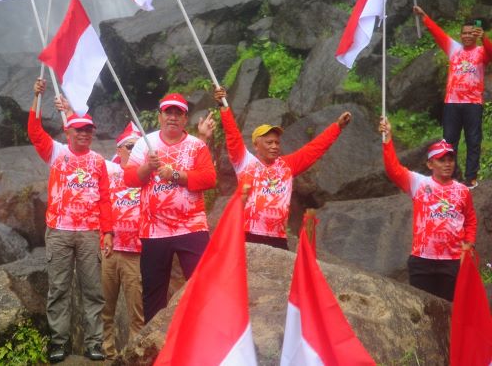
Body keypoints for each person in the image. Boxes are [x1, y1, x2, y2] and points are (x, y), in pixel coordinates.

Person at [29, 78, 113, 363]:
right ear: (68, 132)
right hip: (59, 232)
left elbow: (104, 198)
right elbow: (33, 131)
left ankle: (94, 344)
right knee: (59, 290)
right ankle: (58, 344)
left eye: (88, 130)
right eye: (79, 130)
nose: (84, 134)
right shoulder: (57, 153)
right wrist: (37, 98)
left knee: (92, 291)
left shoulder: (98, 162)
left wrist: (109, 232)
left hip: (90, 233)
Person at [214, 87, 351, 250]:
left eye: (277, 143)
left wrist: (337, 127)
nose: (274, 146)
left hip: (278, 237)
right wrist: (223, 107)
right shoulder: (245, 162)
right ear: (256, 145)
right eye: (269, 142)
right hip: (249, 233)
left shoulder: (287, 165)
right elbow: (233, 136)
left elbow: (314, 149)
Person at [123, 93, 216, 323]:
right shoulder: (146, 143)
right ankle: (155, 349)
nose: (173, 117)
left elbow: (209, 178)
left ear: (185, 119)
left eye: (178, 113)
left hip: (191, 228)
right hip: (154, 230)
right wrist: (147, 168)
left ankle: (202, 338)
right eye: (168, 112)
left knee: (202, 285)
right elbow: (129, 178)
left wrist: (175, 175)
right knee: (153, 294)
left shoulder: (196, 145)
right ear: (160, 116)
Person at [378, 117, 477, 301]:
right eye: (441, 160)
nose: (447, 164)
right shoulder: (419, 183)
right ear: (430, 164)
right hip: (422, 260)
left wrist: (468, 244)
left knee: (450, 310)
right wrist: (387, 138)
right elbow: (393, 169)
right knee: (423, 310)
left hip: (452, 262)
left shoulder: (462, 191)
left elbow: (470, 219)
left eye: (450, 159)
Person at [414, 6, 492, 188]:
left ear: (475, 34)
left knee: (473, 141)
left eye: (470, 33)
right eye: (463, 33)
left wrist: (484, 37)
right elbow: (437, 33)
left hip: (472, 103)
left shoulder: (481, 51)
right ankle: (453, 177)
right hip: (452, 103)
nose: (466, 36)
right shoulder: (454, 49)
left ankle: (471, 178)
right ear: (461, 35)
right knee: (449, 142)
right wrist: (424, 16)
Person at [101, 123, 144, 359]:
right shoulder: (108, 172)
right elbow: (80, 153)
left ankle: (134, 357)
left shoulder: (146, 173)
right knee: (105, 307)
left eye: (139, 147)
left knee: (136, 311)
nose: (135, 151)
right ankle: (107, 355)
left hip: (136, 253)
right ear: (119, 150)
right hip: (109, 251)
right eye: (130, 146)